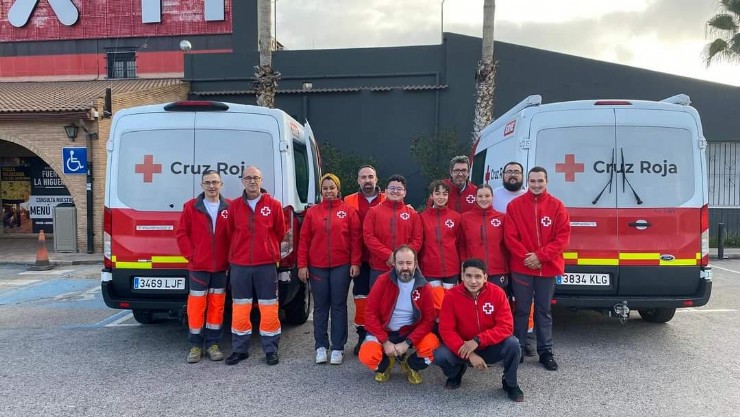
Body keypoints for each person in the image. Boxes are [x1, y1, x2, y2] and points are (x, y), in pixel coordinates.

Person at [504, 166, 570, 371]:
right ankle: (519, 349)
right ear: (527, 182)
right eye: (532, 181)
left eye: (540, 181)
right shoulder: (515, 206)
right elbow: (510, 237)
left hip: (547, 268)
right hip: (522, 267)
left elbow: (562, 237)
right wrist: (528, 258)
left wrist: (540, 257)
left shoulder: (557, 206)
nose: (536, 185)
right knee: (522, 310)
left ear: (546, 182)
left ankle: (545, 352)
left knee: (543, 311)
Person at [434, 258, 523, 402]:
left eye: (478, 276)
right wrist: (470, 354)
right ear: (462, 276)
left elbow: (506, 326)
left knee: (513, 344)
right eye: (468, 276)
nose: (473, 281)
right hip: (463, 347)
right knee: (440, 355)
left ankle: (510, 383)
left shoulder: (497, 293)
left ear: (485, 277)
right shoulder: (451, 296)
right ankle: (456, 373)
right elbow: (446, 330)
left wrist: (478, 340)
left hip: (489, 346)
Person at [298, 173, 362, 365]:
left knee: (339, 306)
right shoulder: (312, 212)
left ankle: (338, 347)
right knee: (320, 307)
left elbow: (356, 239)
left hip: (341, 266)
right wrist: (302, 265)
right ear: (321, 191)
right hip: (317, 267)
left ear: (338, 189)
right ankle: (320, 346)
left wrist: (355, 262)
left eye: (331, 188)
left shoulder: (349, 211)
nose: (328, 191)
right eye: (325, 188)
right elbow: (304, 241)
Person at [226, 166, 286, 366]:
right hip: (240, 265)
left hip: (266, 264)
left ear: (261, 180)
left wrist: (266, 249)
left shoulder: (274, 205)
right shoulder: (233, 206)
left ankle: (270, 350)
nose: (252, 181)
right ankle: (239, 349)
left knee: (269, 308)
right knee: (240, 308)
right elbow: (229, 233)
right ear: (242, 181)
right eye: (248, 178)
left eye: (256, 178)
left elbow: (280, 231)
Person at [358, 245, 440, 385]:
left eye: (409, 263)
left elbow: (428, 320)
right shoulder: (382, 281)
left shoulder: (424, 286)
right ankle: (385, 365)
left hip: (408, 332)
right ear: (394, 264)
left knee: (432, 345)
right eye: (400, 263)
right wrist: (385, 341)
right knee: (367, 355)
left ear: (415, 264)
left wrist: (408, 342)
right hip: (384, 331)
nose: (405, 267)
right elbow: (369, 314)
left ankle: (411, 365)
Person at [176, 170, 231, 363]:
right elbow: (181, 234)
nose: (211, 186)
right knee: (197, 307)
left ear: (221, 184)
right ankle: (195, 346)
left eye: (215, 182)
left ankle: (213, 344)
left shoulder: (229, 207)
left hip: (221, 267)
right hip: (198, 266)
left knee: (217, 307)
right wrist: (191, 256)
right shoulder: (191, 207)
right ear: (202, 186)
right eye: (207, 182)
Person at [492, 161, 535, 357]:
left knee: (524, 301)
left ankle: (525, 338)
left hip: (522, 258)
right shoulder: (494, 195)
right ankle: (502, 337)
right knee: (502, 299)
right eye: (509, 171)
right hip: (498, 257)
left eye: (516, 172)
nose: (512, 175)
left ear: (522, 175)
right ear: (502, 174)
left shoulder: (528, 196)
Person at [344, 165, 387, 354]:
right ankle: (362, 335)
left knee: (383, 300)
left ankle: (382, 336)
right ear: (358, 180)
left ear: (377, 179)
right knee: (361, 299)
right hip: (359, 258)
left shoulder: (388, 198)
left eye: (371, 176)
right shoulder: (348, 200)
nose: (367, 180)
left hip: (382, 259)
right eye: (363, 177)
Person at [363, 174, 423, 287]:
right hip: (379, 267)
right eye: (392, 188)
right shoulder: (373, 212)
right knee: (379, 303)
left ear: (405, 192)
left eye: (399, 189)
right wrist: (388, 255)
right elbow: (369, 237)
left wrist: (402, 258)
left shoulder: (413, 214)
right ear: (385, 191)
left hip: (405, 269)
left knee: (403, 303)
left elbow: (417, 240)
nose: (395, 191)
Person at [419, 180, 461, 316]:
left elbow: (459, 242)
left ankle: (448, 334)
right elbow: (419, 243)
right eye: (437, 193)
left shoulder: (455, 217)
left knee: (450, 305)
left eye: (444, 194)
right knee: (436, 305)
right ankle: (436, 333)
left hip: (451, 269)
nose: (441, 197)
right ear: (431, 196)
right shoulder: (422, 218)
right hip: (431, 269)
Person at [458, 184, 509, 290]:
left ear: (492, 197)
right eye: (480, 196)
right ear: (475, 198)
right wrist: (464, 264)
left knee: (496, 303)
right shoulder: (465, 218)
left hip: (497, 270)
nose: (483, 199)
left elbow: (507, 244)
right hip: (474, 271)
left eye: (487, 196)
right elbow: (461, 244)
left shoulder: (502, 218)